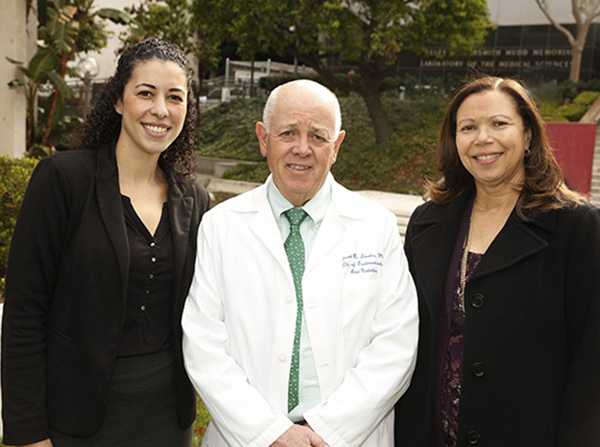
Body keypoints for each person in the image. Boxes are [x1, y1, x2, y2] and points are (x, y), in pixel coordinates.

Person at [182, 79, 419, 446]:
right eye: (288, 133)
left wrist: (327, 430)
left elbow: (396, 344)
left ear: (337, 146)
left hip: (347, 437)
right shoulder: (221, 226)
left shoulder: (376, 226)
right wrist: (269, 432)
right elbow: (203, 343)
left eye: (318, 136)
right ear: (264, 139)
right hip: (247, 437)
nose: (302, 148)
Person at [1, 38, 210, 446]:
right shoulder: (62, 181)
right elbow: (24, 312)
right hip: (74, 417)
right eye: (145, 93)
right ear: (118, 101)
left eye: (175, 97)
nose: (160, 110)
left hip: (167, 420)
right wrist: (28, 433)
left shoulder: (195, 200)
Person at [394, 75, 600, 447]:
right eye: (468, 127)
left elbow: (592, 363)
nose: (482, 138)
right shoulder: (427, 223)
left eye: (499, 124)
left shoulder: (576, 227)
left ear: (528, 137)